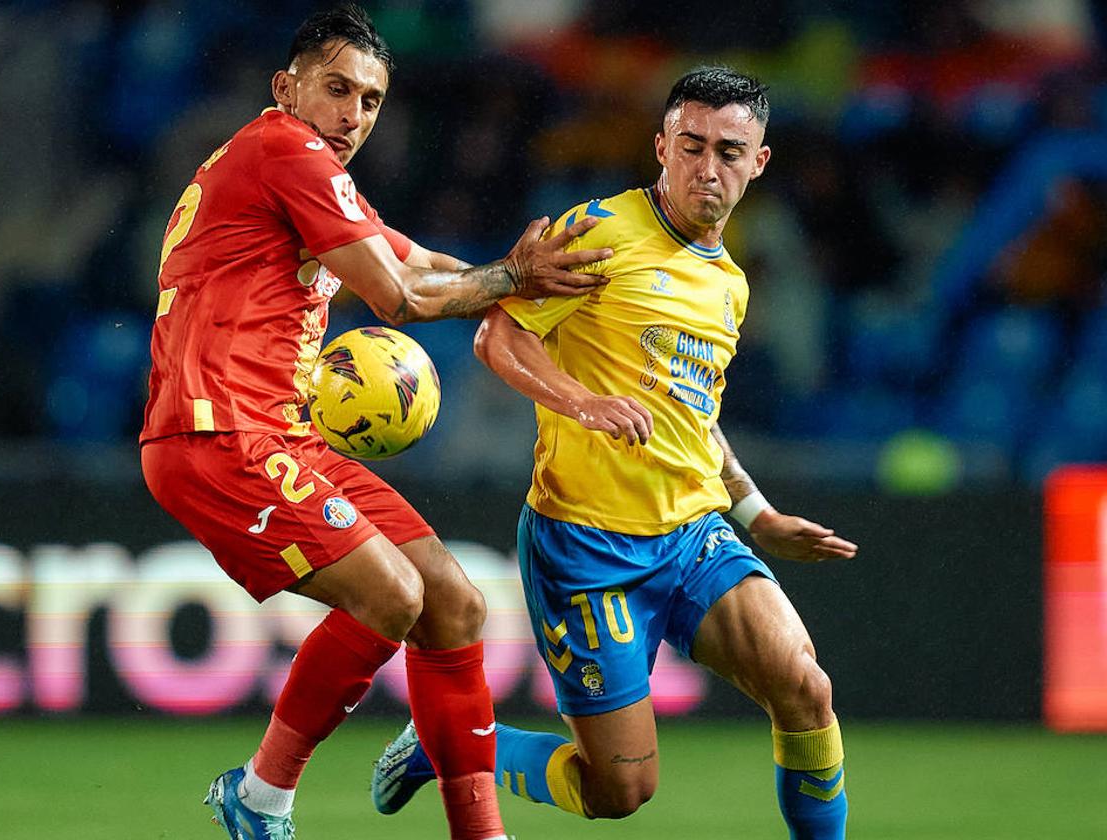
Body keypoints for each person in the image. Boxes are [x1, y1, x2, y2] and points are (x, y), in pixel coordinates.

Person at [138, 5, 612, 840]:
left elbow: (419, 263)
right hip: (215, 434)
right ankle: (260, 797)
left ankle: (480, 831)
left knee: (453, 605)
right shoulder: (285, 149)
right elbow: (398, 299)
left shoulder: (302, 171)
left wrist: (536, 288)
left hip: (281, 434)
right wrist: (512, 277)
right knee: (391, 595)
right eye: (336, 89)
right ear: (286, 88)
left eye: (371, 100)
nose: (353, 114)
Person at [371, 66, 858, 839]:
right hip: (587, 544)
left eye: (729, 152)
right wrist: (583, 402)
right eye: (690, 145)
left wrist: (756, 512)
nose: (708, 168)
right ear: (660, 145)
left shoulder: (728, 282)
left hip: (694, 533)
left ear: (758, 163)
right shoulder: (599, 233)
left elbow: (692, 415)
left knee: (805, 688)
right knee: (618, 791)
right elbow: (496, 336)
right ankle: (448, 744)